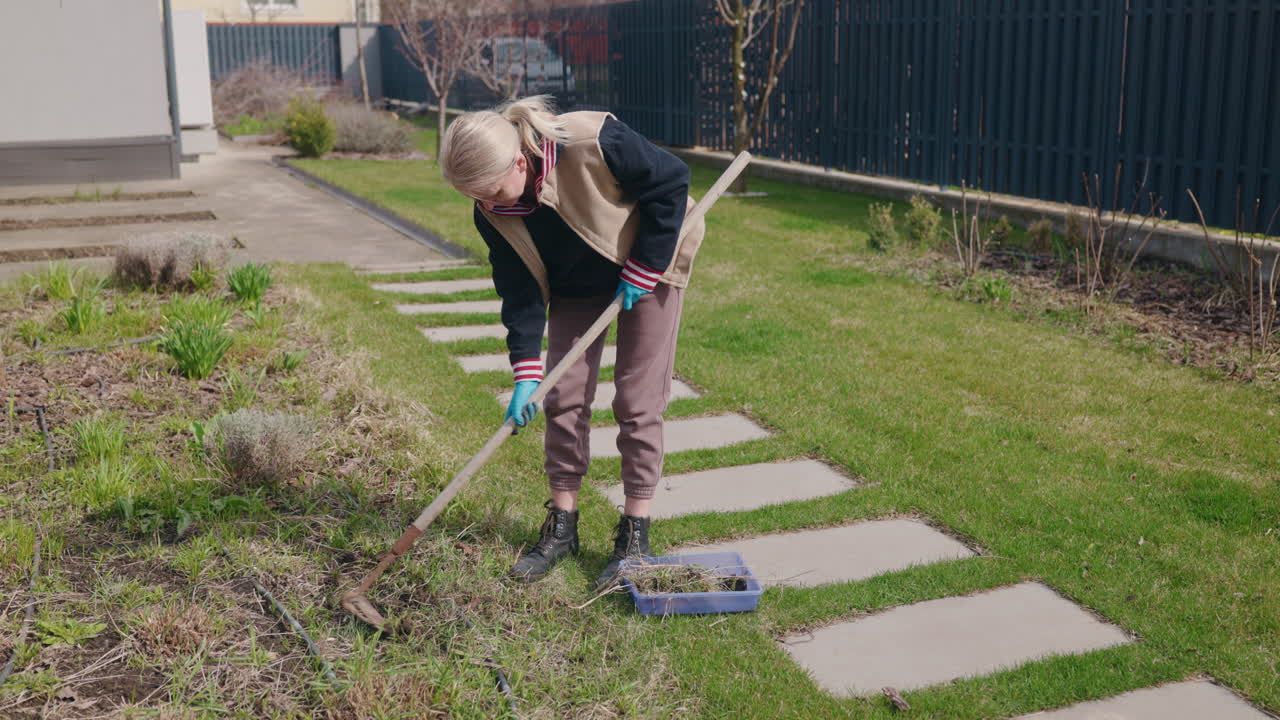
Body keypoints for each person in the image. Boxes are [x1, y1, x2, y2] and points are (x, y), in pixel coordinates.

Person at [439, 95, 704, 589]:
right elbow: (517, 290)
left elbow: (671, 180)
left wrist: (644, 268)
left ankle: (634, 535)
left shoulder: (591, 141)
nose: (490, 205)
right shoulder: (490, 210)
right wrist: (525, 372)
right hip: (575, 285)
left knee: (637, 400)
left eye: (493, 190)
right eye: (477, 198)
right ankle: (563, 527)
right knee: (562, 397)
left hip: (650, 263)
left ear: (520, 161)